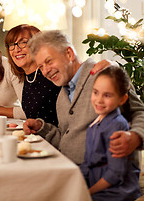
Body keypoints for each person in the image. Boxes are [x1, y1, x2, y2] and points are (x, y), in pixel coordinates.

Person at [24, 30, 144, 165]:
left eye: (49, 61)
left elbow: (140, 111)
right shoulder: (62, 96)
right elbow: (67, 140)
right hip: (70, 171)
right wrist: (42, 127)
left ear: (69, 54)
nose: (45, 71)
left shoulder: (105, 74)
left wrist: (136, 137)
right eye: (41, 67)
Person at [80, 66, 141, 200]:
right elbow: (86, 164)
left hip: (116, 192)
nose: (99, 100)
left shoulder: (117, 125)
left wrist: (88, 192)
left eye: (107, 95)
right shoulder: (93, 126)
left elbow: (115, 174)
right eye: (95, 92)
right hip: (98, 186)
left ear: (122, 99)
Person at [4, 24, 61, 125]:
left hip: (56, 139)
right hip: (36, 138)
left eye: (23, 43)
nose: (16, 49)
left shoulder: (50, 73)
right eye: (12, 45)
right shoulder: (27, 77)